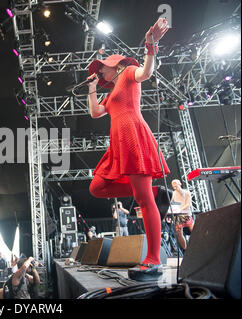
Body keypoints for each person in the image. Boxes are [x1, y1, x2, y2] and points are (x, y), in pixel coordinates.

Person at [87, 18, 170, 281]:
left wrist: (150, 45)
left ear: (115, 65)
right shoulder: (109, 95)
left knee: (144, 202)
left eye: (101, 69)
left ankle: (153, 259)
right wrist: (91, 89)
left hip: (133, 136)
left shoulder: (128, 76)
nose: (99, 73)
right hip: (119, 144)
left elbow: (146, 72)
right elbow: (95, 112)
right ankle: (153, 192)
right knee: (97, 187)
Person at [171, 179, 194, 250]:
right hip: (178, 216)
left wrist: (180, 209)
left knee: (194, 231)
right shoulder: (173, 194)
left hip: (187, 214)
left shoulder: (186, 192)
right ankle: (185, 249)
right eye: (173, 185)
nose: (175, 186)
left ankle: (198, 246)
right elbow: (171, 203)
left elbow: (188, 204)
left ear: (180, 184)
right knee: (179, 234)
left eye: (176, 184)